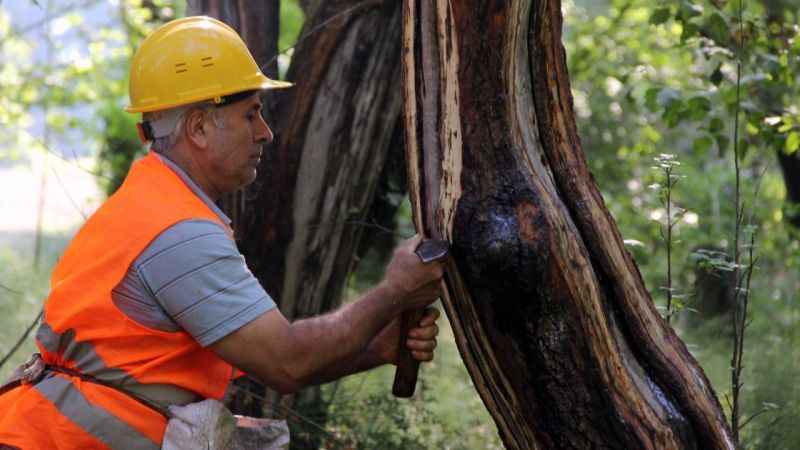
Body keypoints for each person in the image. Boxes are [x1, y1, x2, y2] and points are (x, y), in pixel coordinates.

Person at [0, 16, 443, 449]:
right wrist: (394, 291)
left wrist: (376, 347)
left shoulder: (147, 206)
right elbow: (287, 362)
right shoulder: (179, 234)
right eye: (251, 114)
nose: (265, 133)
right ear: (198, 127)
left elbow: (261, 356)